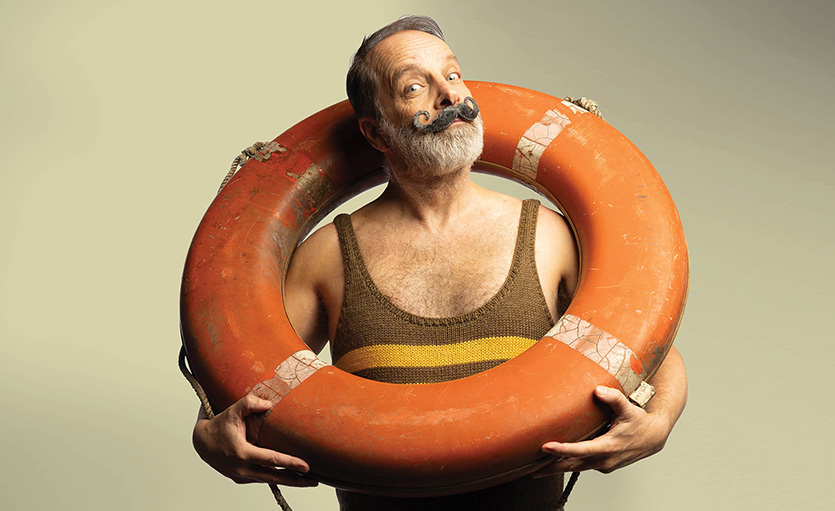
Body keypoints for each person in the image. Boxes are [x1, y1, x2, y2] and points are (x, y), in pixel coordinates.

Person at [192, 15, 687, 510]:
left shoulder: (550, 236)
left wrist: (657, 422)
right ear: (376, 132)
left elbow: (651, 350)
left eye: (451, 75)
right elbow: (249, 377)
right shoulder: (326, 259)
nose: (449, 97)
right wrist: (206, 436)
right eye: (414, 87)